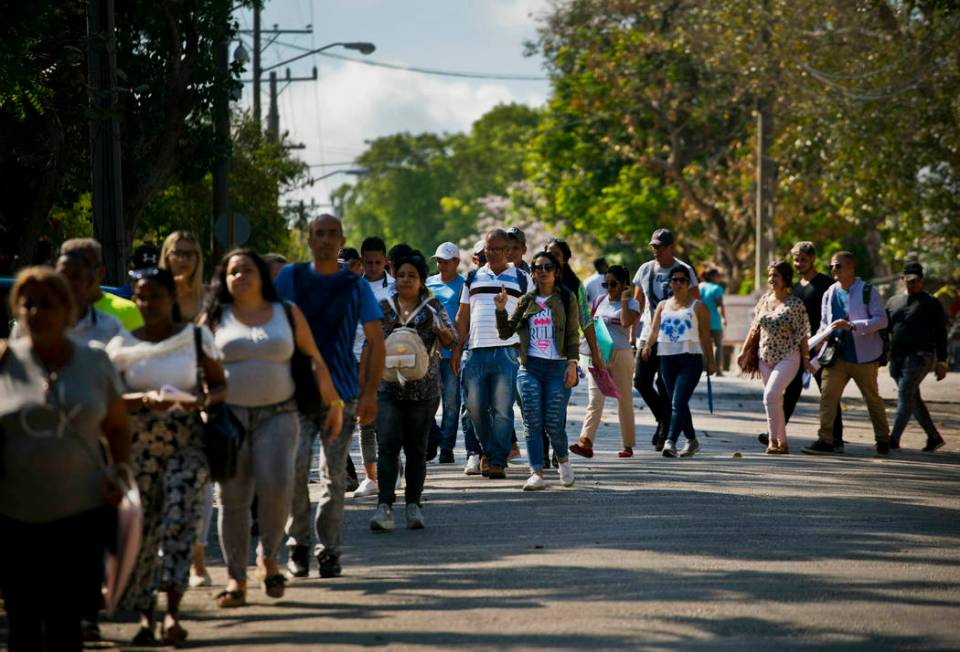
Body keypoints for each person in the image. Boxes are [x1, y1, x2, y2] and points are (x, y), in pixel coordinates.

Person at [201, 249, 343, 607]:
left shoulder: (287, 312)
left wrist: (336, 404)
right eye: (233, 272)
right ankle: (236, 578)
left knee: (278, 484)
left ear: (262, 276)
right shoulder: (216, 316)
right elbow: (192, 362)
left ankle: (269, 558)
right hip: (228, 417)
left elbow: (315, 359)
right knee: (232, 499)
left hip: (280, 414)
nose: (240, 277)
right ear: (225, 279)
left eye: (248, 270)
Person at [0, 267, 130, 651]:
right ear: (17, 311)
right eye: (28, 304)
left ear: (68, 310)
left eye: (48, 304)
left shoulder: (95, 362)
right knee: (22, 624)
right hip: (14, 516)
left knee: (65, 624)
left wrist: (121, 472)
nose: (37, 312)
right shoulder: (5, 362)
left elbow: (118, 427)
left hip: (80, 514)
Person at [106, 267, 226, 646]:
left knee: (179, 523)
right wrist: (142, 400)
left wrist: (202, 399)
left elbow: (219, 384)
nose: (148, 303)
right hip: (138, 447)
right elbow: (107, 401)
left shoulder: (194, 338)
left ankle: (173, 613)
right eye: (141, 296)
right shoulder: (122, 345)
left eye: (155, 295)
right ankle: (146, 617)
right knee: (143, 532)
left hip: (185, 443)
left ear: (171, 298)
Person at [275, 215, 384, 579]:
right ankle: (298, 545)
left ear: (341, 240)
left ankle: (329, 550)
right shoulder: (290, 278)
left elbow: (377, 338)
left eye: (331, 234)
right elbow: (269, 324)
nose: (324, 240)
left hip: (342, 394)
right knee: (294, 470)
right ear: (309, 239)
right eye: (318, 233)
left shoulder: (355, 286)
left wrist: (369, 393)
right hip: (295, 393)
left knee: (333, 476)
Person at [369, 253, 457, 530]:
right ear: (395, 277)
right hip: (388, 388)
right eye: (402, 275)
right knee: (388, 445)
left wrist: (439, 330)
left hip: (424, 390)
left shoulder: (432, 306)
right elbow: (369, 343)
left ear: (422, 280)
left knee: (417, 449)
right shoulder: (383, 306)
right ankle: (384, 507)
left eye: (412, 276)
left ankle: (413, 506)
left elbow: (451, 338)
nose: (406, 280)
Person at [495, 251, 579, 490]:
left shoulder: (566, 298)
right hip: (529, 367)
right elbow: (505, 332)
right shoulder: (526, 301)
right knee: (532, 421)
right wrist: (501, 309)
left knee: (553, 422)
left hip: (557, 367)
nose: (543, 271)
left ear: (556, 272)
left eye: (548, 267)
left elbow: (573, 335)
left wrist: (572, 364)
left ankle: (562, 460)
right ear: (532, 272)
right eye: (538, 267)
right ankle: (537, 473)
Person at [452, 228, 532, 479]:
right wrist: (456, 349)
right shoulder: (473, 277)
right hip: (475, 350)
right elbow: (462, 316)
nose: (494, 253)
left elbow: (530, 317)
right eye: (490, 249)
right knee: (474, 407)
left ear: (508, 250)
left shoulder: (521, 278)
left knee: (502, 409)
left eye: (499, 249)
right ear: (483, 250)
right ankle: (489, 450)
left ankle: (496, 459)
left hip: (507, 352)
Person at [802, 252, 891, 455]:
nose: (834, 270)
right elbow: (825, 324)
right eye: (832, 266)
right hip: (836, 356)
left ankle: (883, 439)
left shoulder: (868, 291)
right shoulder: (830, 292)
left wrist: (852, 325)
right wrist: (815, 347)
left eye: (838, 266)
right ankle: (825, 440)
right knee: (828, 397)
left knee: (872, 399)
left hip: (864, 357)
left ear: (851, 268)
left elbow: (882, 320)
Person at [761, 242, 844, 450]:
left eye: (803, 260)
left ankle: (836, 438)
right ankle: (778, 433)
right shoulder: (796, 288)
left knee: (828, 392)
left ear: (813, 259)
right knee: (790, 390)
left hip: (821, 346)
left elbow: (834, 314)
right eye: (796, 260)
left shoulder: (825, 284)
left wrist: (823, 340)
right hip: (798, 348)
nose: (798, 264)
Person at [633, 228, 699, 450]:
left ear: (671, 248)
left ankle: (666, 431)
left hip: (674, 340)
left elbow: (696, 307)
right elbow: (638, 303)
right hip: (648, 334)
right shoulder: (645, 269)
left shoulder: (684, 270)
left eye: (660, 247)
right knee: (640, 381)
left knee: (665, 385)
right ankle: (663, 418)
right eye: (653, 247)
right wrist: (632, 334)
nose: (656, 251)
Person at [641, 268, 715, 457]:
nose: (679, 283)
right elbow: (654, 330)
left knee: (677, 402)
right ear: (670, 283)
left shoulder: (698, 306)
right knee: (679, 403)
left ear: (689, 283)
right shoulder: (663, 305)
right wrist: (647, 346)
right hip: (666, 358)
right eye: (675, 280)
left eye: (683, 280)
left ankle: (670, 442)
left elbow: (706, 336)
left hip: (690, 359)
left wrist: (711, 361)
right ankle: (692, 440)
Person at [742, 262, 814, 454]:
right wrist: (744, 350)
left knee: (770, 396)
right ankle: (783, 443)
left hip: (788, 357)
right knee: (776, 401)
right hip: (764, 357)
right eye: (770, 275)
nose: (772, 279)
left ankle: (772, 441)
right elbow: (754, 327)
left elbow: (803, 334)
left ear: (785, 279)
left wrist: (806, 358)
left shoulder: (795, 304)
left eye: (776, 276)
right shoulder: (764, 300)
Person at [544, 238, 605, 465]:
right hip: (535, 354)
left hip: (564, 355)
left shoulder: (574, 285)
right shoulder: (536, 280)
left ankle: (556, 450)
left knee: (556, 407)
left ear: (565, 259)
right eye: (548, 253)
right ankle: (540, 450)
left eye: (557, 255)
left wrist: (596, 355)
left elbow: (585, 320)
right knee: (536, 408)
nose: (551, 258)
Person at [572, 265, 641, 458]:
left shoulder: (633, 304)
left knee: (623, 400)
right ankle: (586, 442)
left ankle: (628, 445)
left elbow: (627, 322)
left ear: (623, 284)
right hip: (599, 356)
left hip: (621, 355)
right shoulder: (598, 300)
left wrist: (625, 301)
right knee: (595, 399)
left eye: (613, 284)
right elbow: (590, 325)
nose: (609, 288)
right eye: (606, 284)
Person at [886, 261, 949, 452]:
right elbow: (884, 330)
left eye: (917, 281)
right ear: (903, 279)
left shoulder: (931, 303)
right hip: (896, 358)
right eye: (909, 280)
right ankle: (934, 437)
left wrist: (942, 361)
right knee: (913, 398)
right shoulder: (893, 302)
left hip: (920, 357)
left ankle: (892, 439)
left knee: (905, 395)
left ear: (922, 280)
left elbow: (941, 334)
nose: (913, 284)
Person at [351, 236, 395, 499]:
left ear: (386, 261)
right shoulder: (353, 288)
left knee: (388, 420)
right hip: (356, 359)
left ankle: (392, 468)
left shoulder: (395, 288)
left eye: (378, 262)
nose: (373, 267)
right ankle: (370, 477)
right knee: (365, 420)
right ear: (361, 261)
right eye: (368, 262)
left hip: (387, 361)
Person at [10, 250, 124, 348]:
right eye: (62, 276)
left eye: (75, 276)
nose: (68, 282)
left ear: (89, 280)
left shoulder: (110, 326)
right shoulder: (27, 325)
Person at [426, 242, 466, 464]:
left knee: (451, 402)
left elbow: (463, 320)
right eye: (439, 260)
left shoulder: (463, 285)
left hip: (453, 352)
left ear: (457, 262)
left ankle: (447, 448)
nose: (441, 265)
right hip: (431, 353)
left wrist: (458, 348)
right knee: (429, 401)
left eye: (446, 261)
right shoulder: (429, 284)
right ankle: (431, 441)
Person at [60, 238, 144, 331]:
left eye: (81, 272)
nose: (72, 281)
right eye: (65, 274)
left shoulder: (128, 311)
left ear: (101, 272)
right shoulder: (51, 312)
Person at [159, 230, 205, 323]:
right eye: (178, 253)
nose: (183, 259)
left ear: (198, 258)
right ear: (166, 258)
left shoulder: (209, 296)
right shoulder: (154, 296)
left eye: (189, 254)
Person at [699, 268, 727, 375]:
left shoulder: (699, 287)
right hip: (715, 321)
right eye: (718, 276)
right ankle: (718, 370)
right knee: (718, 346)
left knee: (703, 345)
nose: (719, 278)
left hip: (702, 321)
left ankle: (705, 369)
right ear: (712, 276)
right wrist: (723, 318)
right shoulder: (717, 288)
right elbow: (720, 305)